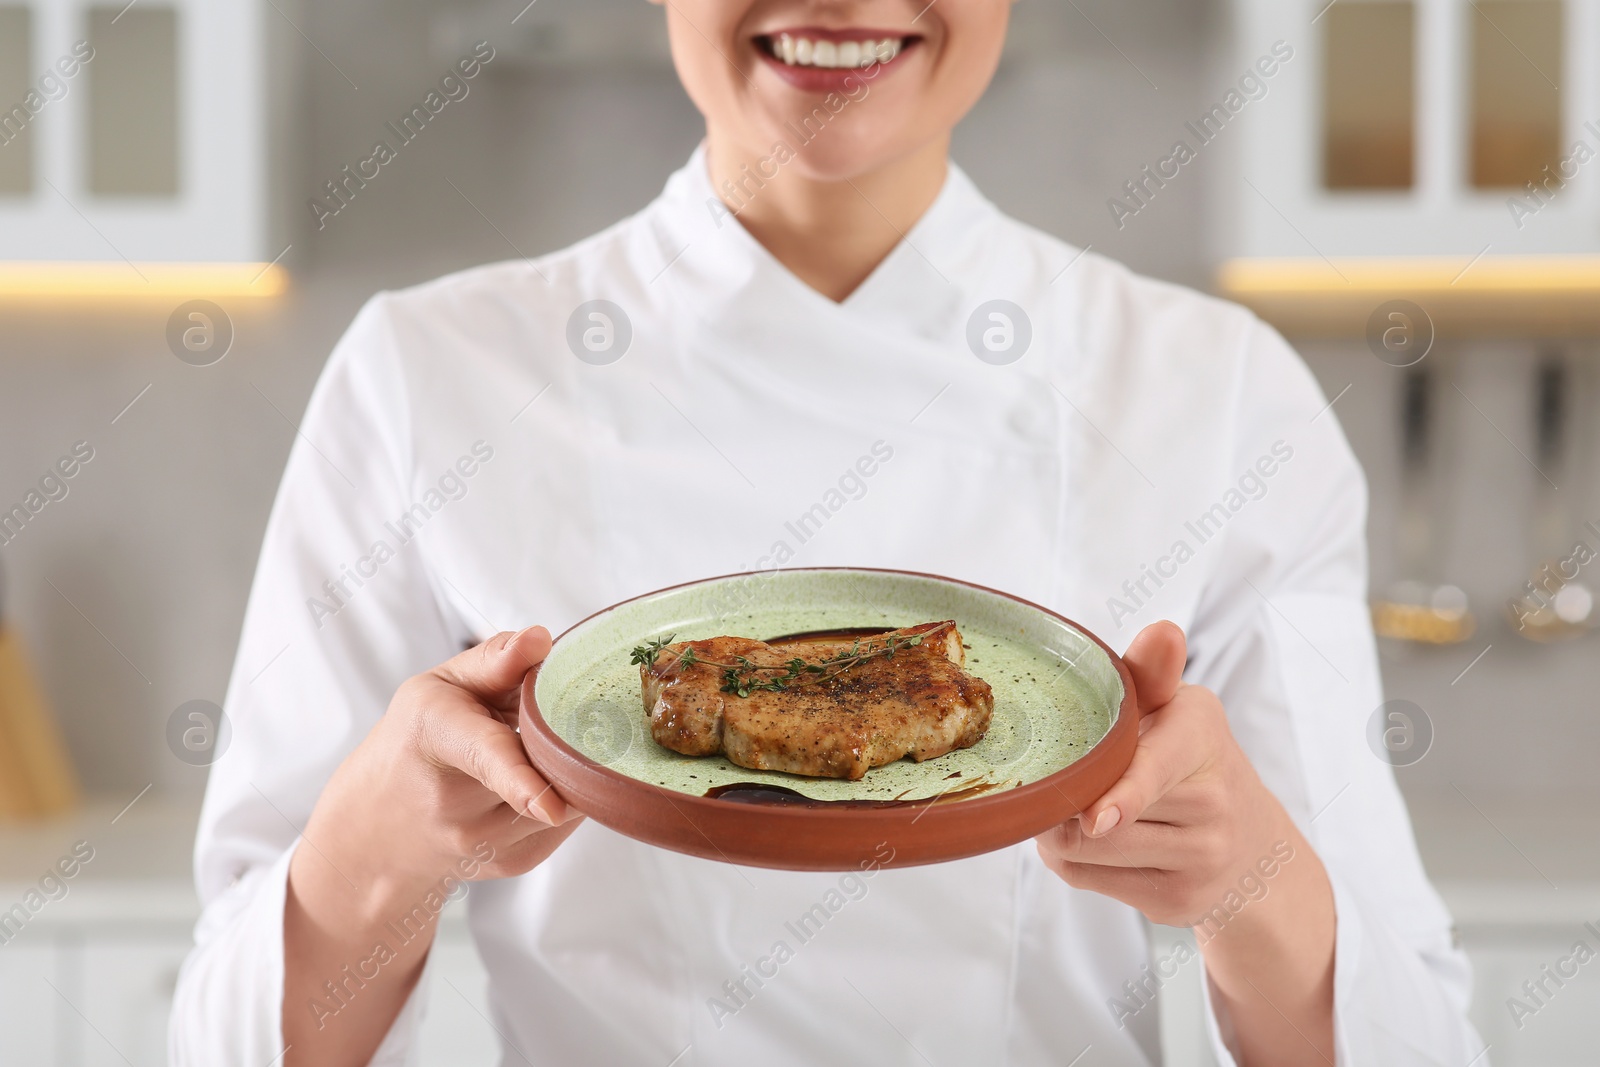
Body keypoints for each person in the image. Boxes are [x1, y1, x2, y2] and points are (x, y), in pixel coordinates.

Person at [170, 1, 1484, 1064]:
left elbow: (1414, 1040)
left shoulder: (1220, 394)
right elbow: (228, 1043)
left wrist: (1248, 877)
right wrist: (369, 856)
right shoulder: (425, 375)